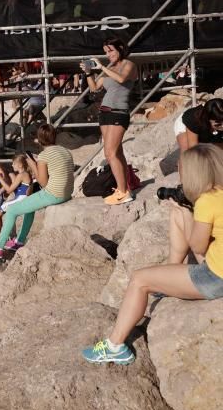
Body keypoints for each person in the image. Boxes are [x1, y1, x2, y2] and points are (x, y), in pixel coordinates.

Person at [82, 144, 223, 365]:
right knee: (177, 212)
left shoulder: (207, 200)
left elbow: (198, 247)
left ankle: (115, 346)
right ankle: (169, 277)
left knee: (139, 280)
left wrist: (190, 214)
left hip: (216, 278)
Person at [0, 124, 73, 257]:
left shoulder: (44, 155)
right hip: (67, 193)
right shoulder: (65, 151)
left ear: (39, 139)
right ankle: (19, 241)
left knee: (11, 211)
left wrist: (34, 165)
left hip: (54, 194)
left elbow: (43, 183)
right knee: (30, 207)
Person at [83, 37, 138, 205]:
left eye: (111, 50)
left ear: (120, 48)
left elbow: (121, 79)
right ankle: (126, 185)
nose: (108, 55)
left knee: (110, 153)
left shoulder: (129, 65)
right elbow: (94, 88)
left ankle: (123, 192)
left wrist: (101, 67)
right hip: (105, 113)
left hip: (118, 112)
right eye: (106, 52)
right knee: (117, 152)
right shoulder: (109, 67)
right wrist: (88, 73)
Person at [174, 98, 223, 172]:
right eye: (218, 124)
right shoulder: (194, 121)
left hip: (208, 129)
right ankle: (184, 181)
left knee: (219, 152)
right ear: (207, 119)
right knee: (187, 154)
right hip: (187, 125)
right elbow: (194, 150)